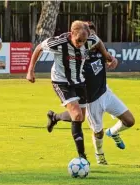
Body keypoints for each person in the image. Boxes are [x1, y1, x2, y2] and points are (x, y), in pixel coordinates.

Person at [46, 21, 135, 165]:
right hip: (90, 100)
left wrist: (113, 60)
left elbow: (109, 58)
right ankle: (99, 156)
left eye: (93, 36)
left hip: (105, 92)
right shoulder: (77, 56)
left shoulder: (99, 48)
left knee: (130, 121)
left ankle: (112, 132)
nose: (91, 40)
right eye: (88, 37)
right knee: (89, 126)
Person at [27, 20, 93, 159]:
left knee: (80, 118)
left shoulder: (89, 39)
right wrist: (31, 70)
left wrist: (108, 57)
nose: (80, 43)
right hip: (61, 81)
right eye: (78, 40)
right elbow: (39, 48)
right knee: (77, 116)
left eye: (83, 41)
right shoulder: (58, 42)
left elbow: (99, 43)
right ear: (72, 33)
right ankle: (82, 157)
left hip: (79, 81)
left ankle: (54, 117)